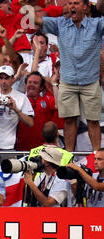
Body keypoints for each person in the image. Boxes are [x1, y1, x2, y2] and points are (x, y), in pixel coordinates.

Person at [32, 0, 103, 153]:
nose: (72, 6)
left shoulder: (96, 24)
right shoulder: (60, 23)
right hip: (68, 81)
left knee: (93, 121)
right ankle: (68, 156)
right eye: (70, 3)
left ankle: (97, 156)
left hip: (90, 81)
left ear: (85, 6)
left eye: (76, 3)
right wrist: (25, 6)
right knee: (69, 120)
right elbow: (35, 20)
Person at [0, 65, 34, 165]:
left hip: (8, 147)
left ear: (12, 79)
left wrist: (15, 109)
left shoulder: (21, 97)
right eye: (1, 78)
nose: (3, 81)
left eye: (7, 78)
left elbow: (30, 123)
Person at [15, 71, 59, 151]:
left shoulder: (47, 100)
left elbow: (58, 105)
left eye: (35, 83)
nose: (31, 85)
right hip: (20, 149)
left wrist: (53, 84)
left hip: (41, 150)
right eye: (29, 82)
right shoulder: (19, 100)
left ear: (41, 87)